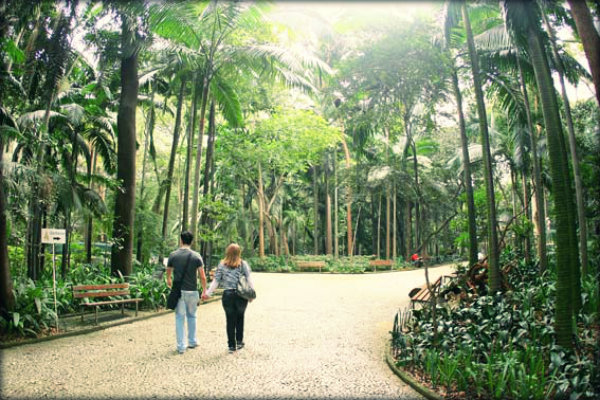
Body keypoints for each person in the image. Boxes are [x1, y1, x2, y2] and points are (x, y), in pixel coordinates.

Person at [202, 243, 254, 354]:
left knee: (230, 320)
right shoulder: (243, 264)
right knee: (240, 317)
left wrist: (207, 293)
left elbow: (216, 281)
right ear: (239, 252)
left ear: (227, 252)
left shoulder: (222, 264)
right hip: (241, 296)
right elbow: (249, 279)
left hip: (228, 295)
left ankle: (231, 345)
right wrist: (251, 294)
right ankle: (239, 341)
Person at [166, 231, 206, 354]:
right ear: (191, 242)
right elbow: (202, 276)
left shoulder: (173, 255)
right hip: (193, 291)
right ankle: (192, 341)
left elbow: (168, 273)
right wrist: (204, 290)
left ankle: (181, 346)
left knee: (179, 317)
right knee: (192, 316)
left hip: (180, 292)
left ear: (181, 240)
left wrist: (170, 282)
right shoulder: (196, 256)